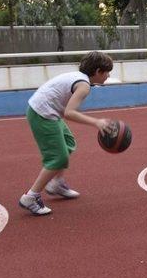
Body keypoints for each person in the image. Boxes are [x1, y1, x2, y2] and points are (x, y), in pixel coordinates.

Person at [19, 51, 115, 216]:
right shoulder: (84, 86)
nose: (108, 75)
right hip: (43, 114)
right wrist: (96, 122)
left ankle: (56, 184)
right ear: (98, 71)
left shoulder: (80, 77)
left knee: (68, 143)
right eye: (107, 72)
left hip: (47, 111)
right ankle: (30, 197)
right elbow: (69, 113)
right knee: (58, 158)